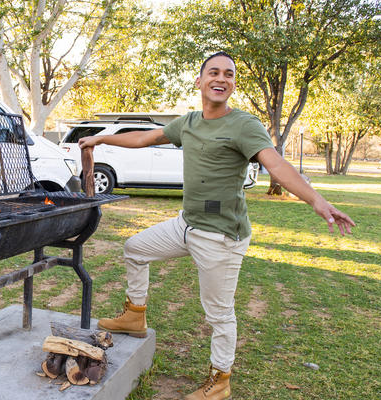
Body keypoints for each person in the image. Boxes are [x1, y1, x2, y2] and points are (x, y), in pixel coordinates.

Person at [78, 51, 355, 400]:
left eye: (228, 74)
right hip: (187, 224)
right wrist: (101, 139)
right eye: (213, 72)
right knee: (134, 248)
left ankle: (220, 380)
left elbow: (277, 165)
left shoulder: (244, 125)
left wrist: (317, 200)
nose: (220, 78)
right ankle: (135, 316)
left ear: (233, 84)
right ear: (200, 81)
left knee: (219, 313)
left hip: (221, 236)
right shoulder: (189, 122)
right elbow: (144, 138)